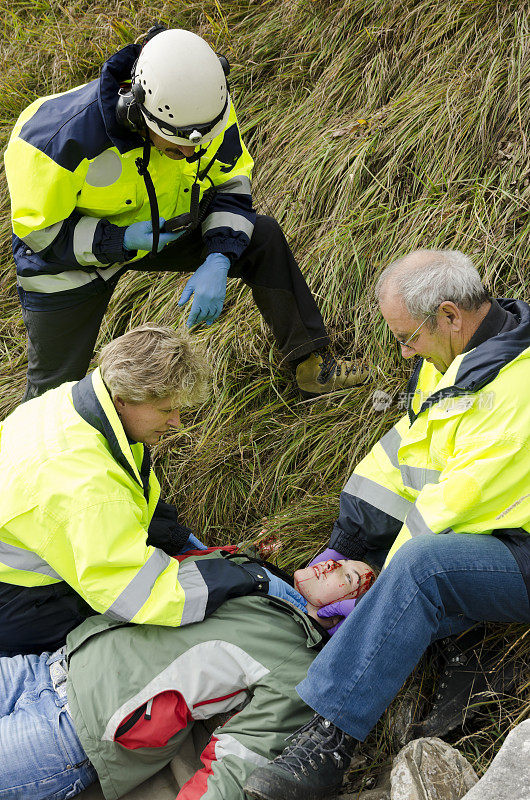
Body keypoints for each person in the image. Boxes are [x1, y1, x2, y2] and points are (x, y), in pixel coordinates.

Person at [243, 249, 530, 800]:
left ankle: (327, 740)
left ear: (450, 314)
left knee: (421, 573)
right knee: (405, 584)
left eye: (407, 337)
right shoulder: (454, 358)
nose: (403, 352)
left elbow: (444, 515)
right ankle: (432, 651)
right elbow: (399, 460)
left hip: (518, 551)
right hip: (486, 536)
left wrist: (371, 584)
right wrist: (341, 550)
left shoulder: (514, 393)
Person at [4, 25, 367, 401]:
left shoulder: (204, 107)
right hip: (69, 259)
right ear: (136, 113)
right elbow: (41, 235)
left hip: (165, 227)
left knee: (263, 237)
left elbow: (231, 182)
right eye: (177, 148)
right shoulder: (51, 140)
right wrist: (121, 239)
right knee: (52, 389)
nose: (192, 154)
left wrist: (219, 257)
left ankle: (312, 367)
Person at [0, 324, 302, 657]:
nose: (177, 422)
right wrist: (239, 578)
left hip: (33, 548)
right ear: (122, 400)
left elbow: (129, 491)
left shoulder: (75, 401)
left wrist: (174, 538)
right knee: (121, 637)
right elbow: (138, 596)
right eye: (165, 410)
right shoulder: (90, 488)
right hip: (22, 603)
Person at [0, 548, 374, 799]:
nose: (335, 565)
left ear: (346, 616)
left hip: (71, 734)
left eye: (352, 579)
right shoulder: (248, 574)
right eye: (341, 561)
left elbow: (238, 759)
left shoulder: (297, 659)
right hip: (46, 666)